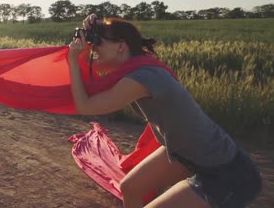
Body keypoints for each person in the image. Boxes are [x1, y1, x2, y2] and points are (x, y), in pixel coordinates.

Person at [66, 14, 262, 208]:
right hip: (186, 155)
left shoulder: (140, 78)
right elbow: (93, 71)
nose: (93, 48)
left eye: (97, 42)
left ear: (120, 46)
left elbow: (86, 106)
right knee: (130, 188)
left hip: (227, 175)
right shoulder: (140, 67)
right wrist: (91, 34)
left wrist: (73, 60)